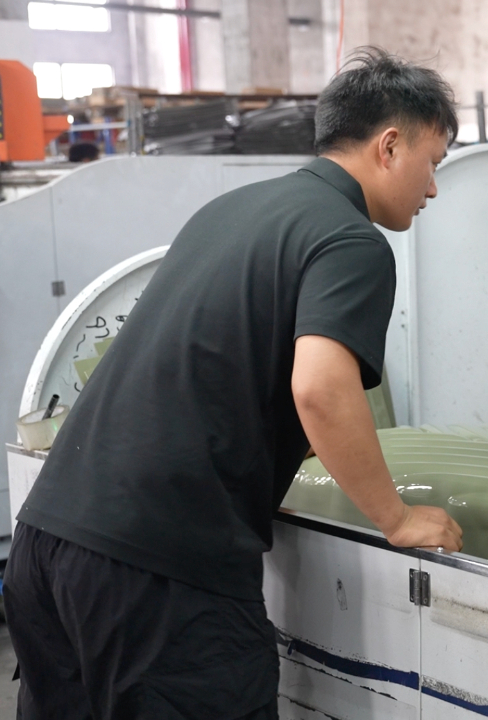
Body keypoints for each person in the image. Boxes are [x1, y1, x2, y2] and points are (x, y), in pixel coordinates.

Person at [4, 47, 463, 719]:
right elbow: (320, 388)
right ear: (391, 146)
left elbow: (220, 364)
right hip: (160, 575)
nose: (432, 190)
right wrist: (394, 518)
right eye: (434, 163)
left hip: (47, 546)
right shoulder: (350, 240)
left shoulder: (231, 211)